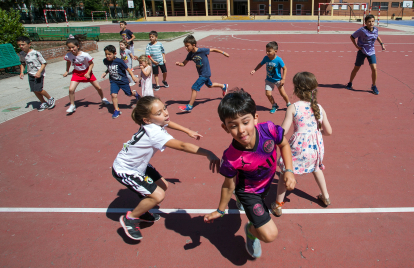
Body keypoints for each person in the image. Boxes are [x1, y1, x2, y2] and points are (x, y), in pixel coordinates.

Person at [204, 89, 296, 258]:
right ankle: (251, 231)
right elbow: (228, 185)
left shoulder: (269, 130)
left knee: (255, 201)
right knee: (270, 235)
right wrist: (221, 210)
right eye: (233, 125)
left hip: (265, 184)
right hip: (249, 192)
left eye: (245, 122)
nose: (241, 130)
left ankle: (241, 205)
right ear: (225, 128)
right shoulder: (231, 157)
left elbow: (284, 144)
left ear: (255, 118)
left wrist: (289, 170)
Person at [113, 96, 221, 240]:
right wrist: (207, 153)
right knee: (158, 195)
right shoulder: (155, 133)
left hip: (140, 165)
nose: (165, 113)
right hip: (125, 169)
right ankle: (131, 218)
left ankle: (143, 210)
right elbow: (182, 146)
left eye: (164, 108)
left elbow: (167, 123)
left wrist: (187, 131)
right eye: (159, 113)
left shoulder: (154, 123)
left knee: (163, 186)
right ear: (147, 120)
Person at [275, 72, 332, 217]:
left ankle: (278, 205)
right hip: (315, 148)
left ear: (296, 90)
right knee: (316, 168)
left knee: (285, 172)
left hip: (298, 148)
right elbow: (329, 131)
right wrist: (318, 134)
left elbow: (283, 131)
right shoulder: (319, 107)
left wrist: (272, 135)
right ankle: (325, 196)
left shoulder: (293, 107)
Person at [175, 35, 229, 112]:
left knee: (194, 88)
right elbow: (184, 63)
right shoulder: (190, 54)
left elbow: (213, 49)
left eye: (187, 46)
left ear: (193, 45)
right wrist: (179, 64)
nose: (186, 48)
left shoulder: (202, 50)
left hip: (205, 73)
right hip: (201, 73)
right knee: (209, 85)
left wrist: (223, 53)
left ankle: (189, 106)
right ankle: (223, 86)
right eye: (185, 46)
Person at [63, 35, 110, 113]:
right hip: (77, 74)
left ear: (77, 46)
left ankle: (103, 99)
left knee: (98, 88)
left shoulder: (85, 55)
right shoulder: (69, 55)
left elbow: (91, 64)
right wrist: (67, 71)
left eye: (73, 47)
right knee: (71, 89)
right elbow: (68, 62)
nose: (71, 49)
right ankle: (72, 105)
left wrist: (88, 73)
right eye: (69, 48)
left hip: (87, 73)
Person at [346, 14, 386, 95]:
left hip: (371, 52)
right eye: (369, 22)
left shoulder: (375, 30)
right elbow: (352, 37)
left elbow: (377, 36)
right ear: (365, 22)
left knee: (374, 68)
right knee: (356, 68)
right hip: (362, 51)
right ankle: (350, 82)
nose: (371, 23)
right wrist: (357, 46)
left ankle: (374, 86)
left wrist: (382, 44)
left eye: (372, 21)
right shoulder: (362, 30)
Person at [250, 41, 290, 113]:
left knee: (283, 94)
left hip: (278, 80)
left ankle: (288, 104)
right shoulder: (266, 58)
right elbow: (261, 64)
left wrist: (283, 79)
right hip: (269, 80)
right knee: (268, 94)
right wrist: (254, 70)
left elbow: (285, 68)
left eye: (269, 51)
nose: (267, 53)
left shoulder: (278, 60)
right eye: (266, 51)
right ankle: (274, 105)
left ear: (275, 51)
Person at [101, 45, 140, 119]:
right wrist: (105, 73)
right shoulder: (105, 61)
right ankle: (116, 110)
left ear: (114, 53)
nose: (107, 56)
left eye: (109, 54)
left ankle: (135, 93)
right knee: (113, 95)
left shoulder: (119, 61)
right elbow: (109, 68)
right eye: (106, 54)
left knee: (129, 94)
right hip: (114, 81)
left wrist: (133, 76)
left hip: (123, 81)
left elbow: (128, 69)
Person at [17, 36, 55, 112]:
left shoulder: (36, 53)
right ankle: (43, 102)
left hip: (38, 74)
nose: (21, 46)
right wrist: (21, 72)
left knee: (39, 89)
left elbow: (44, 63)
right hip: (30, 74)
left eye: (23, 44)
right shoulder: (21, 54)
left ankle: (50, 99)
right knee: (34, 90)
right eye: (19, 45)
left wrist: (39, 72)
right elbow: (22, 63)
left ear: (29, 44)